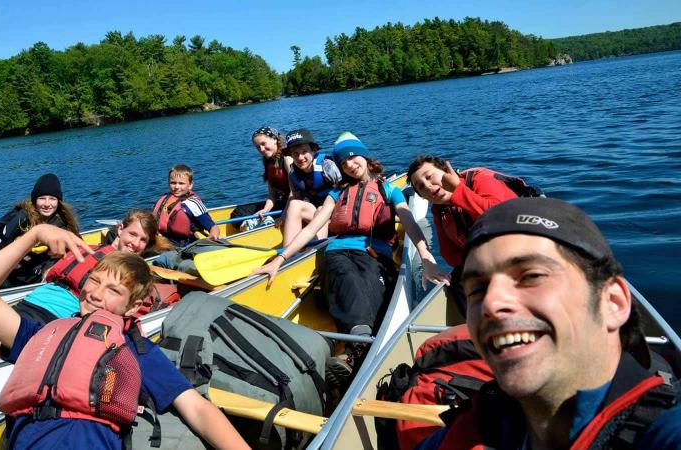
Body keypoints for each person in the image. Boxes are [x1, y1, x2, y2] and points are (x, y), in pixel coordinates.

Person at [416, 198, 681, 450]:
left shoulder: (665, 431)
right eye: (477, 290)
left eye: (531, 275)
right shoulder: (469, 430)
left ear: (613, 302)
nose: (491, 304)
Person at [0, 224, 249, 450]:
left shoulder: (132, 350)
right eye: (94, 281)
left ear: (134, 308)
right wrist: (34, 234)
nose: (96, 294)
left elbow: (197, 409)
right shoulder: (41, 336)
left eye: (113, 291)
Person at [255, 132, 449, 388]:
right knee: (344, 275)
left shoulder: (388, 189)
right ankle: (360, 346)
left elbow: (409, 222)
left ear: (366, 157)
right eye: (343, 161)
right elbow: (313, 227)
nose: (349, 163)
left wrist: (425, 257)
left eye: (353, 156)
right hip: (338, 251)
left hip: (374, 254)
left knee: (369, 279)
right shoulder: (336, 193)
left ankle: (352, 350)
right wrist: (281, 257)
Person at [0, 209, 167, 377]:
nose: (135, 243)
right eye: (133, 234)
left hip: (42, 321)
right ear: (120, 229)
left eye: (143, 240)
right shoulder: (86, 248)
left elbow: (132, 307)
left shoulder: (130, 274)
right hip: (25, 305)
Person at [407, 156, 519, 311]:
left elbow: (500, 216)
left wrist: (458, 190)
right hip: (486, 262)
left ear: (446, 171)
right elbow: (449, 253)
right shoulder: (439, 210)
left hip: (521, 250)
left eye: (429, 176)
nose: (428, 186)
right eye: (421, 187)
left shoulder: (479, 180)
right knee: (459, 282)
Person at [282, 128, 342, 247]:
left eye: (304, 152)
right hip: (315, 213)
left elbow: (345, 190)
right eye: (295, 153)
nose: (300, 157)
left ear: (313, 150)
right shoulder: (293, 174)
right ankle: (287, 251)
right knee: (294, 204)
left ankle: (315, 249)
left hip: (336, 212)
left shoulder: (327, 166)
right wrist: (284, 216)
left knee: (321, 210)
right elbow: (298, 197)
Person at [230, 126, 293, 231]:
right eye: (258, 147)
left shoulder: (287, 159)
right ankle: (252, 227)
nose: (261, 149)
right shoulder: (268, 162)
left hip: (293, 203)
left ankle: (260, 228)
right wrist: (265, 210)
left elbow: (294, 192)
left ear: (274, 140)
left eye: (263, 144)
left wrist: (285, 214)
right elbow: (272, 195)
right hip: (281, 202)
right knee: (238, 213)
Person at [152, 164, 219, 246]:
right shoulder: (164, 198)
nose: (176, 186)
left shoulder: (192, 203)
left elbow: (213, 227)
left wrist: (213, 236)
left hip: (183, 246)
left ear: (190, 185)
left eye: (181, 183)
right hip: (161, 242)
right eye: (173, 183)